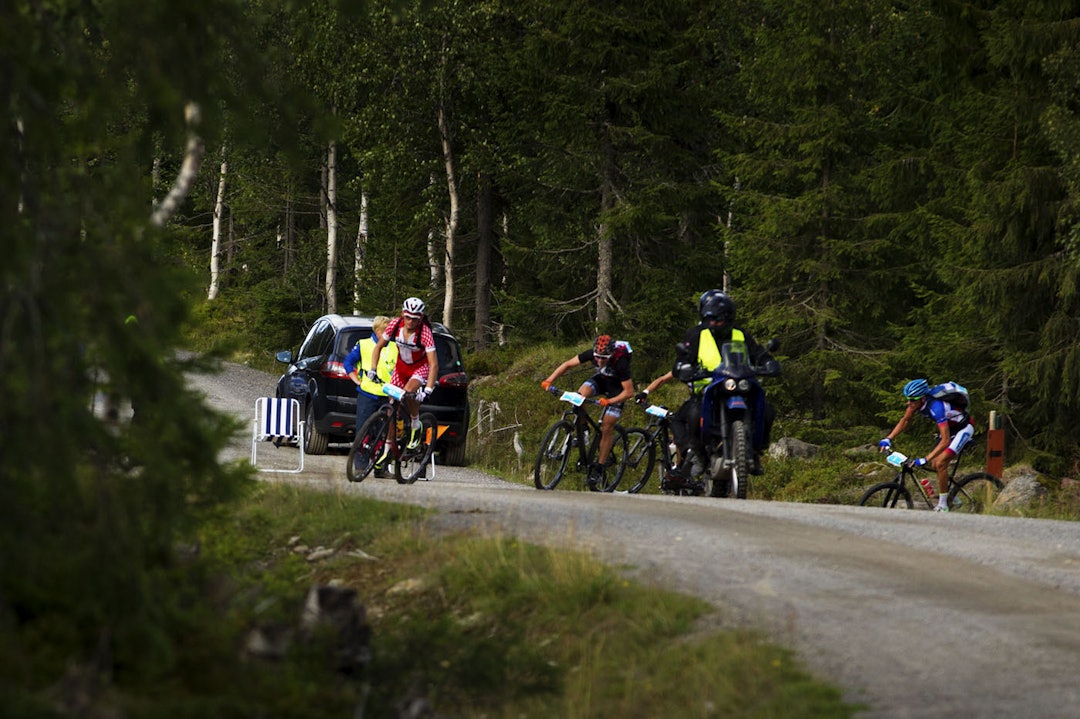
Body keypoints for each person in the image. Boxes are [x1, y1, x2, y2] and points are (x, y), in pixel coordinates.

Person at [664, 290, 779, 478]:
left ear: (730, 317)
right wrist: (683, 367)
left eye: (719, 319)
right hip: (707, 389)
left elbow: (758, 353)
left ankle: (756, 451)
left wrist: (768, 362)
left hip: (739, 386)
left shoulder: (741, 334)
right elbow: (684, 358)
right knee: (692, 414)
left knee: (766, 410)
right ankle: (699, 455)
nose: (715, 323)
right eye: (710, 319)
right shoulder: (696, 335)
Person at [541, 334, 635, 488]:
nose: (599, 361)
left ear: (611, 354)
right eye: (597, 357)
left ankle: (599, 467)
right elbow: (567, 364)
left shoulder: (621, 363)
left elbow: (629, 392)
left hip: (618, 388)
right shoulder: (592, 354)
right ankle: (584, 430)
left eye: (603, 358)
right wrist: (549, 380)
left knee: (606, 426)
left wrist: (609, 401)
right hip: (602, 380)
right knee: (579, 396)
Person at [878, 378, 975, 512]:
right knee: (934, 464)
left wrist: (925, 459)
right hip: (950, 429)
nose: (909, 403)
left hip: (963, 428)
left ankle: (943, 506)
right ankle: (952, 495)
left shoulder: (937, 407)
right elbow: (905, 420)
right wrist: (888, 438)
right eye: (908, 399)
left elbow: (945, 440)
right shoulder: (915, 404)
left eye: (912, 400)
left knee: (940, 463)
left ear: (923, 399)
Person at [367, 298, 439, 459]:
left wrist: (428, 390)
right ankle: (387, 449)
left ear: (421, 318)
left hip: (420, 367)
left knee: (407, 392)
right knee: (391, 408)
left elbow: (434, 364)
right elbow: (378, 347)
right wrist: (373, 369)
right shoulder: (395, 324)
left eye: (414, 318)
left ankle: (415, 424)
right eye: (407, 317)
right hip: (401, 368)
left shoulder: (425, 333)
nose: (410, 322)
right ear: (402, 314)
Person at [344, 315, 397, 476]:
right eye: (386, 331)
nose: (388, 334)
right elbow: (348, 362)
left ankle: (381, 468)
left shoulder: (395, 347)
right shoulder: (364, 344)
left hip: (387, 395)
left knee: (384, 433)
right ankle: (360, 466)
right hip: (368, 393)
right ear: (378, 331)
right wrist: (356, 380)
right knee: (364, 430)